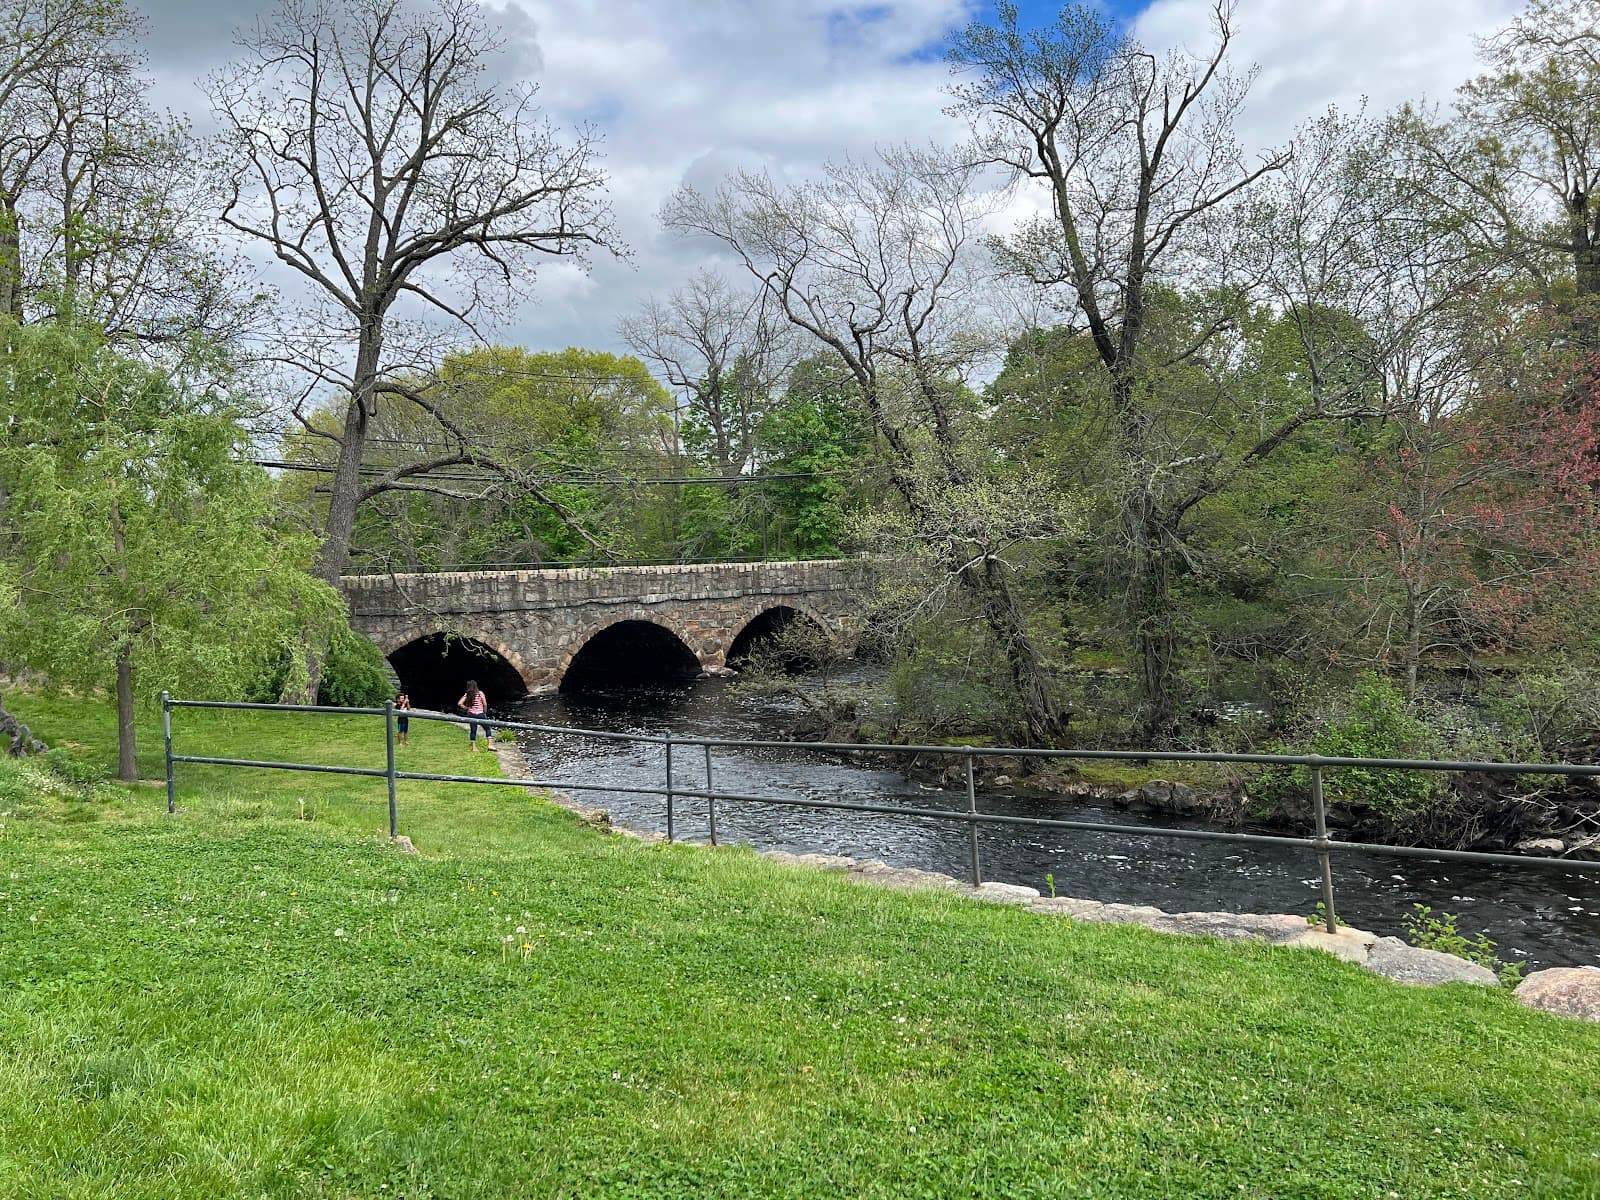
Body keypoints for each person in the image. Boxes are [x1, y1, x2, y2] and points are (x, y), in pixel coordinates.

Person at [458, 679, 493, 751]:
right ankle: (490, 745)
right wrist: (484, 712)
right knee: (487, 728)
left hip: (471, 714)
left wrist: (467, 708)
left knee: (473, 730)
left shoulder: (467, 694)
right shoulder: (480, 693)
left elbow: (459, 703)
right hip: (480, 713)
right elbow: (485, 704)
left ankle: (474, 748)